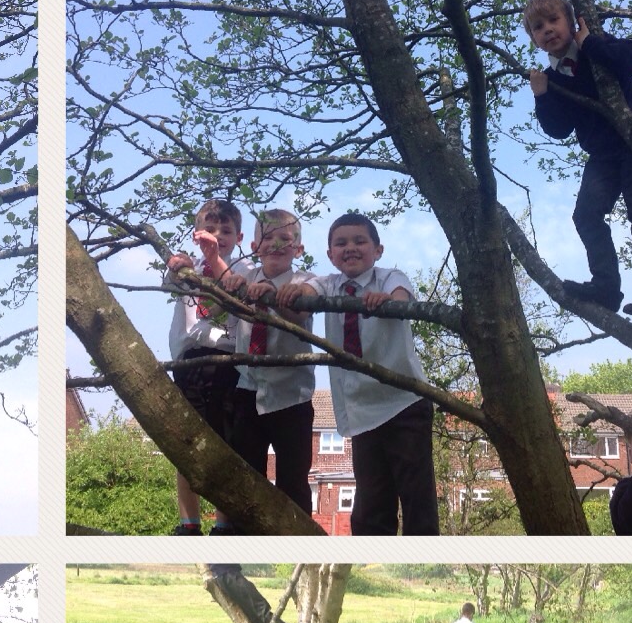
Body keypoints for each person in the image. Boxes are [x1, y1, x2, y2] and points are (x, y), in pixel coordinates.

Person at [523, 0, 632, 318]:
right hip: (603, 154)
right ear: (534, 40)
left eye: (554, 21)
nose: (548, 30)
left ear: (572, 22)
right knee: (586, 214)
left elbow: (630, 58)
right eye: (539, 27)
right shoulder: (551, 79)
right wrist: (541, 96)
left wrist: (590, 42)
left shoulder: (598, 46)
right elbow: (559, 128)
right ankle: (606, 287)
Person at [193, 208, 321, 524]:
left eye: (285, 239)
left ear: (298, 249)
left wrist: (275, 298)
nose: (276, 245)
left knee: (293, 480)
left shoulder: (306, 282)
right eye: (267, 238)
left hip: (291, 397)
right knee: (247, 475)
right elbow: (218, 298)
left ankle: (298, 541)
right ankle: (244, 540)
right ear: (253, 246)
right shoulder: (246, 277)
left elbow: (299, 317)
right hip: (247, 391)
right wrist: (211, 257)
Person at [315, 213, 440, 534]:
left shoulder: (387, 277)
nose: (350, 248)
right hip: (363, 412)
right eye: (340, 243)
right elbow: (307, 289)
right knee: (371, 503)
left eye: (360, 241)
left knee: (416, 496)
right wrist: (295, 290)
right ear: (330, 254)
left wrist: (387, 301)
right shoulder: (330, 285)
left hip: (404, 403)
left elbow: (401, 294)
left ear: (378, 250)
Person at [165, 199, 247, 535]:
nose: (218, 236)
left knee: (226, 443)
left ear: (239, 237)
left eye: (226, 231)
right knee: (187, 444)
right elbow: (169, 284)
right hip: (189, 361)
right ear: (197, 234)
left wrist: (215, 260)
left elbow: (236, 295)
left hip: (226, 361)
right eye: (210, 229)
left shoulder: (242, 271)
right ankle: (188, 523)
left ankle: (224, 523)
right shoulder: (188, 269)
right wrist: (176, 265)